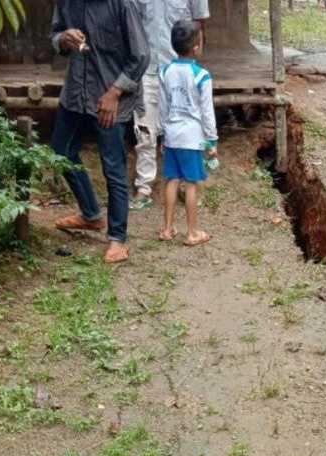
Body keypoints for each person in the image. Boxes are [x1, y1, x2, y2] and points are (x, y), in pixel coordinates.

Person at [50, 0, 150, 264]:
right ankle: (91, 214)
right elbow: (55, 33)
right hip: (75, 93)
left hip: (110, 100)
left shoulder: (122, 5)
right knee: (61, 150)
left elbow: (140, 56)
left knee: (113, 167)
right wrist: (63, 39)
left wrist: (115, 93)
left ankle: (117, 240)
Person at [130, 0, 210, 211]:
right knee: (144, 129)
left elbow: (199, 25)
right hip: (147, 69)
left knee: (183, 127)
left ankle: (185, 183)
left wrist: (194, 62)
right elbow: (132, 23)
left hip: (180, 70)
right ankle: (144, 186)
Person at [158, 21, 217, 247]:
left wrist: (163, 134)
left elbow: (163, 107)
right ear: (196, 48)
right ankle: (192, 232)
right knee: (191, 184)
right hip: (192, 136)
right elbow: (207, 111)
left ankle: (167, 228)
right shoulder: (201, 75)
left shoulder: (165, 71)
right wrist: (211, 139)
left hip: (172, 134)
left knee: (171, 180)